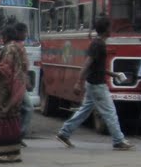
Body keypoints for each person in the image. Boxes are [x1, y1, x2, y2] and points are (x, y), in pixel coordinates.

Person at [56, 16, 134, 151]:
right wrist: (78, 82)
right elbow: (88, 64)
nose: (112, 30)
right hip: (97, 85)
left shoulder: (97, 43)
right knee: (110, 112)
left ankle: (64, 133)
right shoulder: (98, 45)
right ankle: (118, 140)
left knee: (84, 111)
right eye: (110, 27)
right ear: (105, 30)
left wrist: (114, 75)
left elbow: (98, 67)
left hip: (93, 84)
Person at [0, 24, 28, 163]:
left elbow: (5, 71)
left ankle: (0, 154)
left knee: (0, 119)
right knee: (13, 121)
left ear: (6, 36)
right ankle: (13, 153)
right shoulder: (19, 47)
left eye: (2, 36)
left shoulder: (9, 49)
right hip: (16, 91)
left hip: (5, 92)